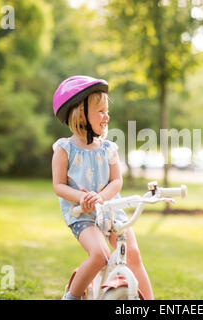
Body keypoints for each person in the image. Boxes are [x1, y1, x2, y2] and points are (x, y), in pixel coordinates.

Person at [51, 75, 154, 300]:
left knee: (133, 254)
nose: (106, 116)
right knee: (100, 255)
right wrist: (82, 198)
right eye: (100, 111)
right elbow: (59, 185)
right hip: (82, 215)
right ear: (80, 114)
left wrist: (101, 197)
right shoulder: (64, 149)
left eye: (107, 111)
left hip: (110, 209)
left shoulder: (108, 148)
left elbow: (117, 181)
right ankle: (71, 297)